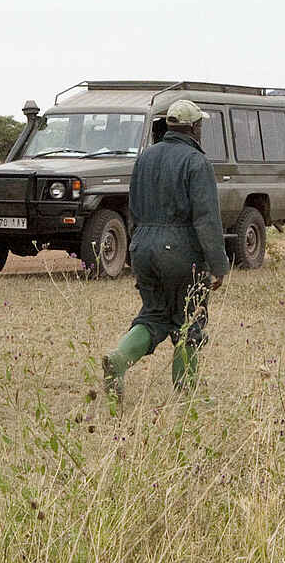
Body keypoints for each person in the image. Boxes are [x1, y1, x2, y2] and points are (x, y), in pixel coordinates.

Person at [100, 99, 228, 405]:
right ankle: (187, 395)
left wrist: (135, 247)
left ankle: (119, 359)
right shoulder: (197, 162)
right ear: (195, 127)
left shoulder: (144, 158)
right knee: (189, 319)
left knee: (153, 314)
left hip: (143, 245)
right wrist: (218, 264)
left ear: (169, 126)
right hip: (180, 250)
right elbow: (206, 218)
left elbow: (133, 209)